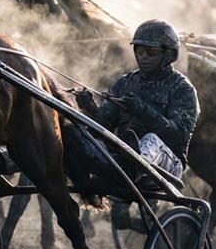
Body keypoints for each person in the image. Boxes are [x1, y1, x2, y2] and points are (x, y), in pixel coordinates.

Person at [75, 20, 199, 185]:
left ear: (169, 54)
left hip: (168, 166)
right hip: (122, 155)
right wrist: (89, 108)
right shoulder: (124, 83)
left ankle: (127, 170)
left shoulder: (182, 88)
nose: (144, 56)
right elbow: (104, 127)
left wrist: (142, 110)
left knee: (150, 140)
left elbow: (178, 135)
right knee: (79, 135)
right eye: (139, 50)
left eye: (151, 51)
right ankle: (111, 169)